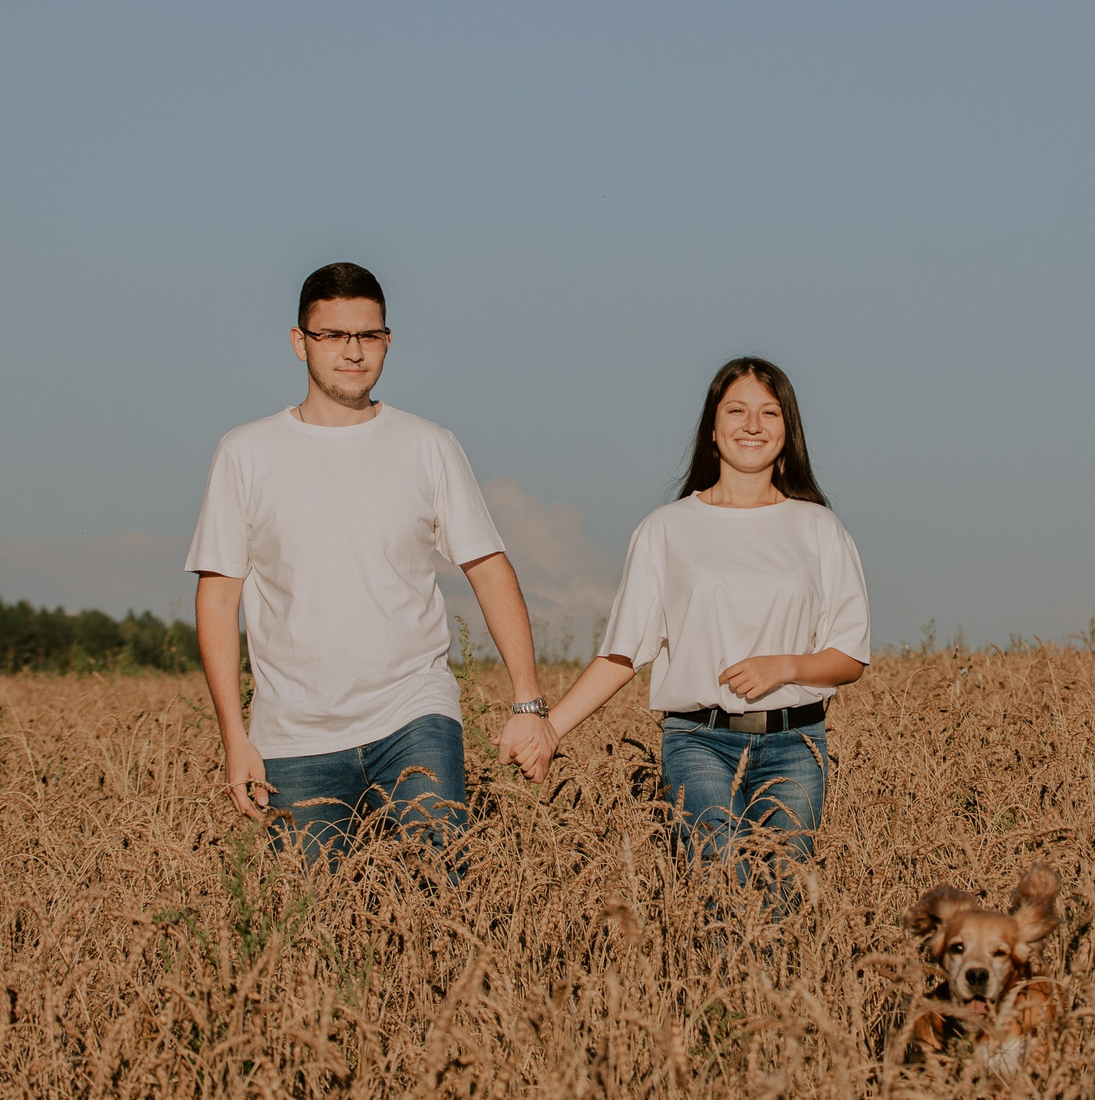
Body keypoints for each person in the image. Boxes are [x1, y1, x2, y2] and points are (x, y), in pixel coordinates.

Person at [188, 262, 555, 871]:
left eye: (369, 335)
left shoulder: (428, 444)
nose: (353, 352)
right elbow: (218, 597)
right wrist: (234, 736)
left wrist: (528, 702)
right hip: (294, 735)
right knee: (311, 928)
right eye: (333, 335)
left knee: (441, 901)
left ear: (388, 340)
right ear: (299, 341)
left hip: (414, 715)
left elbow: (489, 567)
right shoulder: (246, 453)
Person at [521, 357, 869, 893]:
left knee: (783, 901)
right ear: (712, 428)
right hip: (699, 742)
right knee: (721, 885)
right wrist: (549, 728)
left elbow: (850, 655)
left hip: (796, 743)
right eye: (737, 410)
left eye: (769, 412)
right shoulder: (667, 530)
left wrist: (787, 667)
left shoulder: (819, 528)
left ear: (788, 428)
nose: (752, 425)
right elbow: (622, 652)